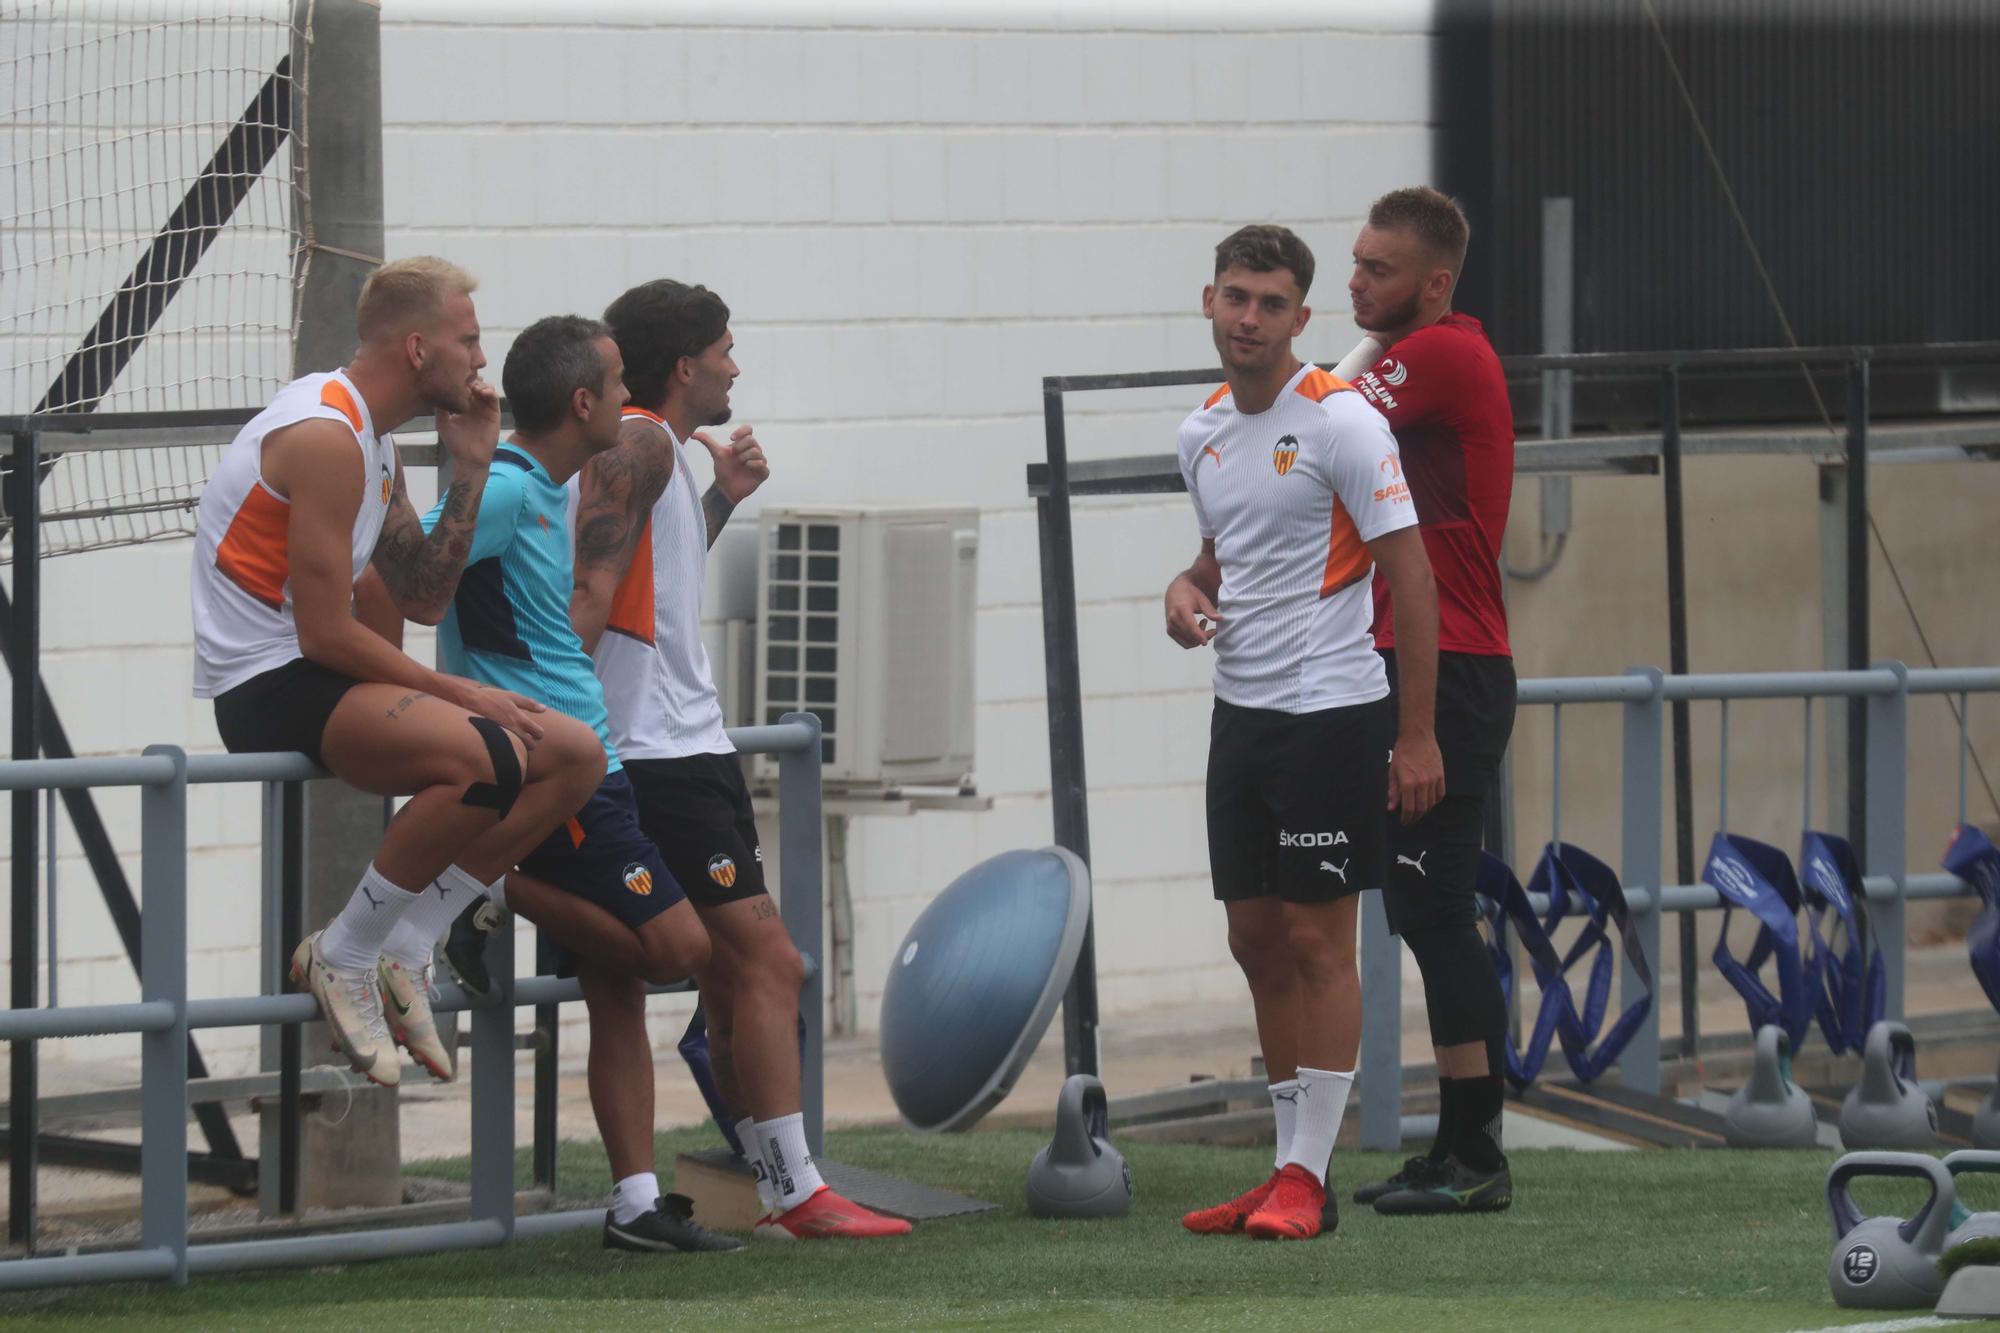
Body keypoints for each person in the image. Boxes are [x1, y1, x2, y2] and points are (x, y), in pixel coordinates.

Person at [190, 257, 605, 1089]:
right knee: (489, 754)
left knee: (574, 756)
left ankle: (411, 942)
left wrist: (473, 465)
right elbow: (320, 632)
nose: (481, 362)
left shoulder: (372, 439)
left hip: (321, 668)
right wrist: (461, 691)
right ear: (418, 348)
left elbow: (419, 592)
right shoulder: (326, 434)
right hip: (267, 684)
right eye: (469, 340)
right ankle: (343, 952)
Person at [561, 277, 909, 1241]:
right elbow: (589, 600)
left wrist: (723, 498)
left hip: (642, 749)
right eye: (724, 348)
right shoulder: (637, 441)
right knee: (768, 961)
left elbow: (645, 579)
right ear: (684, 365)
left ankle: (645, 1205)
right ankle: (798, 1192)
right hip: (661, 754)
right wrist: (539, 717)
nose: (735, 365)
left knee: (638, 983)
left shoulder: (648, 452)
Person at [414, 313, 736, 1253]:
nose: (634, 391)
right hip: (561, 773)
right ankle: (486, 883)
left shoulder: (547, 488)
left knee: (619, 993)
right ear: (587, 403)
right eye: (619, 377)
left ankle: (635, 1203)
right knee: (676, 949)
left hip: (597, 761)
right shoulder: (513, 487)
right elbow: (420, 583)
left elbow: (539, 611)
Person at [1165, 226, 1445, 1241]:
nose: (1248, 318)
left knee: (1317, 941)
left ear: (1299, 317)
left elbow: (1411, 578)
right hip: (1239, 714)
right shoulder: (1196, 433)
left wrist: (1413, 736)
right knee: (1253, 940)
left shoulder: (1342, 424)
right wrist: (1181, 590)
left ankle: (1308, 1177)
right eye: (1235, 297)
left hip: (1331, 711)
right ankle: (1285, 1166)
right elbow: (1214, 561)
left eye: (1270, 303)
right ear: (1207, 300)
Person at [1341, 187, 1520, 1215]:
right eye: (1357, 262)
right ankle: (1455, 1145)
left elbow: (1313, 415)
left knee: (1436, 910)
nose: (1357, 281)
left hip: (1448, 666)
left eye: (1377, 270)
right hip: (1411, 658)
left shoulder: (1443, 352)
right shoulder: (1400, 362)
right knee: (1417, 906)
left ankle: (1476, 1154)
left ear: (1434, 284)